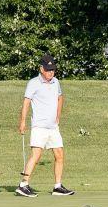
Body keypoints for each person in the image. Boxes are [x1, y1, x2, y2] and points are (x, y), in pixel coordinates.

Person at [16, 55, 73, 198]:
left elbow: (60, 98)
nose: (51, 73)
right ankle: (23, 185)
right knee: (36, 155)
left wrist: (58, 116)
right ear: (41, 69)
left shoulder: (56, 82)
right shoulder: (33, 83)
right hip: (39, 126)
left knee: (59, 154)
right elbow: (26, 102)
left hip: (53, 127)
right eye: (48, 70)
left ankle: (57, 186)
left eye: (52, 70)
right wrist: (22, 122)